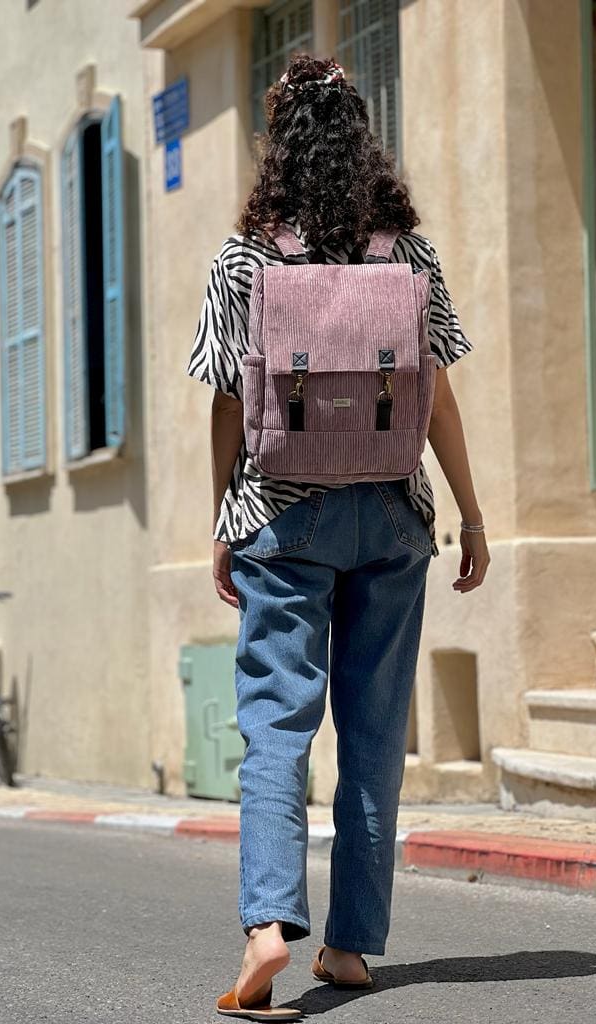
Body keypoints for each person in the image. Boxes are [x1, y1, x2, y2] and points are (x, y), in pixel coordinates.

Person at [187, 53, 490, 1021]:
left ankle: (269, 925)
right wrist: (473, 514)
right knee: (371, 735)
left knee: (277, 727)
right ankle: (352, 947)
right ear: (364, 146)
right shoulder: (410, 255)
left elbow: (228, 407)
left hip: (283, 510)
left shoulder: (245, 260)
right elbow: (437, 399)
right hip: (396, 515)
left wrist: (221, 522)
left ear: (278, 149)